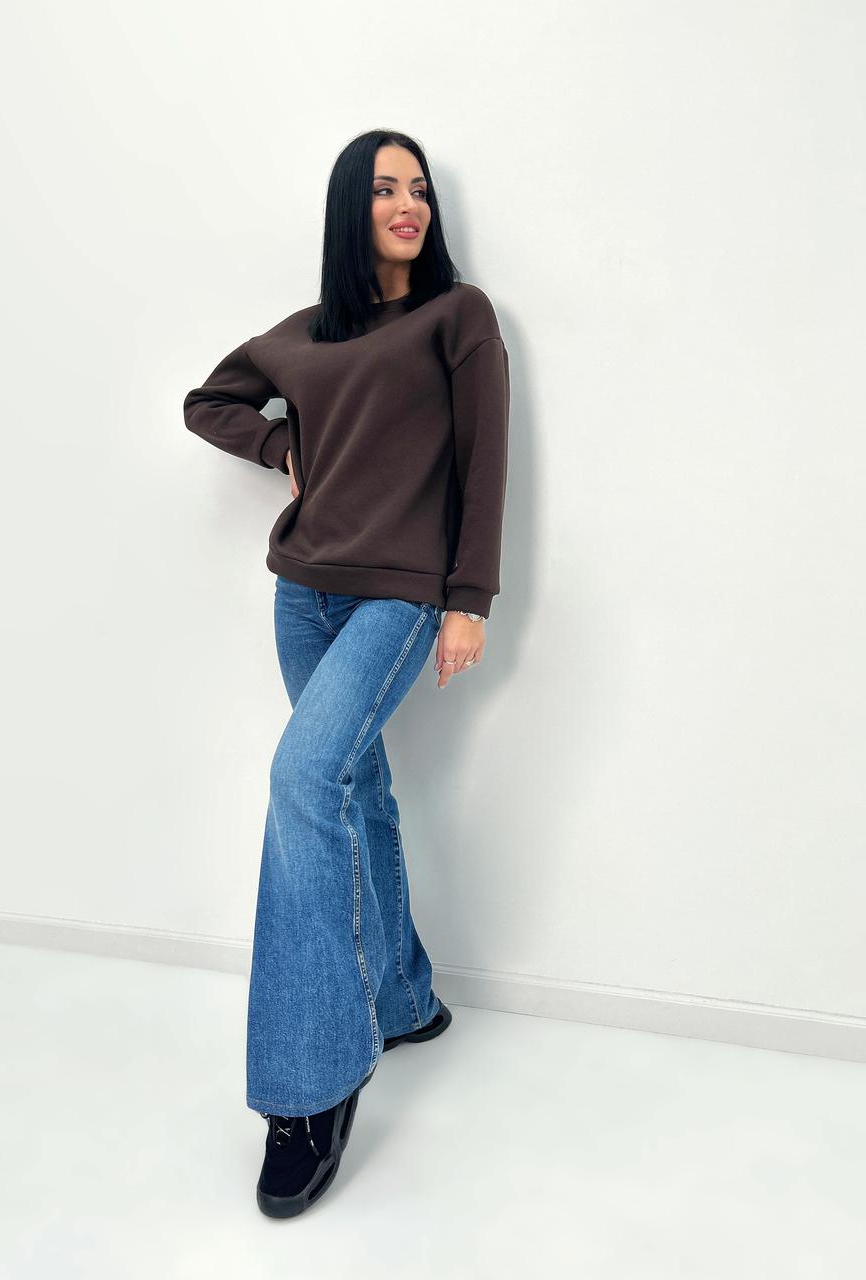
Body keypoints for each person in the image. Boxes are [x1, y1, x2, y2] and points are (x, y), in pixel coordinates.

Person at [183, 129, 510, 1218]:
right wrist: (282, 449)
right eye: (383, 189)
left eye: (419, 188)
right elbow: (209, 401)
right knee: (353, 784)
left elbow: (485, 463)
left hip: (400, 595)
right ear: (348, 208)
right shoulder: (307, 333)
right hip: (303, 590)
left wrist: (468, 599)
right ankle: (406, 998)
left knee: (302, 778)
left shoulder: (457, 316)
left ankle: (311, 1081)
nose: (407, 203)